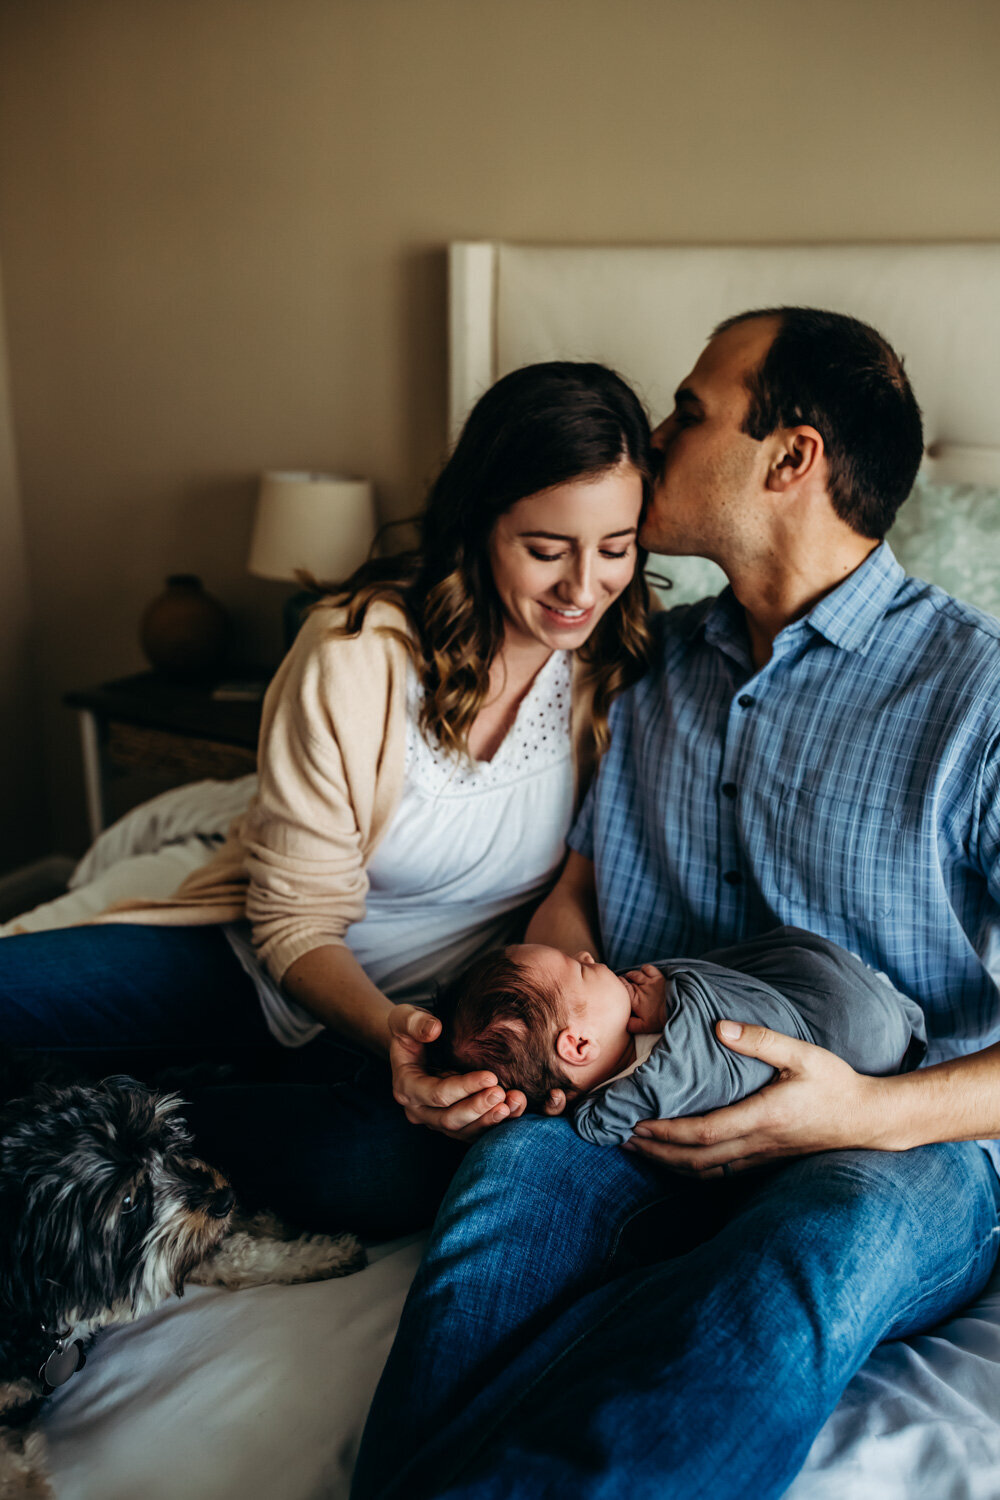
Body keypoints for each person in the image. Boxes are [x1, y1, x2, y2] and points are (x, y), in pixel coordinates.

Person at [351, 308, 1000, 1500]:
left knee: (807, 1254)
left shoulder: (980, 701)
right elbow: (577, 898)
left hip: (901, 1139)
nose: (653, 439)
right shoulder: (639, 664)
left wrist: (864, 1110)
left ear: (789, 458)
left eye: (689, 411)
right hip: (625, 1102)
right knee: (499, 1193)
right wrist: (514, 1045)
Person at [0, 360, 655, 1241]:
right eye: (546, 550)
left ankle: (115, 1112)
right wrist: (386, 1029)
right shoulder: (356, 653)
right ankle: (135, 1092)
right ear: (479, 525)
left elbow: (567, 893)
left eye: (615, 548)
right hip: (262, 965)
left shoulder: (613, 672)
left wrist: (498, 1050)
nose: (584, 589)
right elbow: (295, 916)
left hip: (442, 1021)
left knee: (373, 1173)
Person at [428, 928, 927, 1144]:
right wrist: (681, 1001)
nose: (587, 956)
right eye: (578, 970)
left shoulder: (626, 1022)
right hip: (855, 1033)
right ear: (578, 1046)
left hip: (834, 1027)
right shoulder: (654, 1075)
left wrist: (676, 994)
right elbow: (623, 1109)